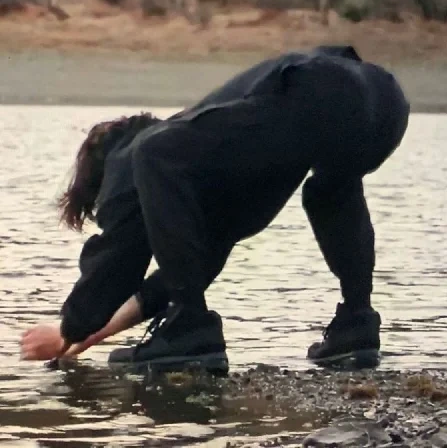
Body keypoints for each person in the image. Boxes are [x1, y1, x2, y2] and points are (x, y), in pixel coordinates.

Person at [20, 45, 410, 373]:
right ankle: (356, 325)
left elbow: (120, 253)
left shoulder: (133, 151)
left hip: (321, 85)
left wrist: (70, 326)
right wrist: (87, 337)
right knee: (331, 191)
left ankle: (189, 327)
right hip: (383, 102)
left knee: (152, 151)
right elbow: (185, 274)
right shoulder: (230, 164)